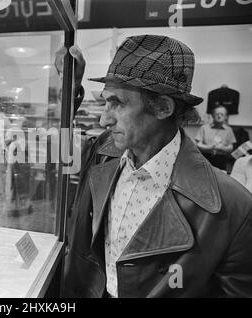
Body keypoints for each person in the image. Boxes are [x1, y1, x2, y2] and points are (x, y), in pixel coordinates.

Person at [62, 34, 252, 298]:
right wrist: (67, 91)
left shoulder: (233, 208)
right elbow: (54, 154)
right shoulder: (103, 152)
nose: (105, 119)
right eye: (105, 102)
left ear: (163, 107)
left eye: (117, 103)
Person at [195, 105, 236, 170]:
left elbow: (231, 147)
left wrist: (221, 147)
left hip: (221, 159)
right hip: (205, 157)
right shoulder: (204, 128)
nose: (219, 116)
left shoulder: (229, 130)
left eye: (222, 114)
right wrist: (209, 147)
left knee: (219, 179)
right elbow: (198, 144)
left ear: (225, 117)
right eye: (217, 114)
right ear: (213, 115)